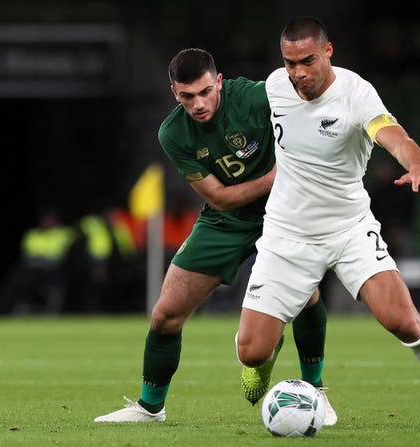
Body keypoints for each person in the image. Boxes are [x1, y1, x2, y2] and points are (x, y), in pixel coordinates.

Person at [235, 17, 420, 430]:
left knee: (403, 321)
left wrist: (418, 166)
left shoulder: (356, 94)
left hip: (348, 229)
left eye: (307, 61)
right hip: (287, 232)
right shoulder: (274, 86)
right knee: (250, 351)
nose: (298, 73)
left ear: (328, 51)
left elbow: (395, 136)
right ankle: (262, 365)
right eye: (289, 63)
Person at [94, 48, 336, 424]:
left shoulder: (257, 96)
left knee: (306, 296)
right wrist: (279, 173)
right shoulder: (173, 132)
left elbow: (316, 97)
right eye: (187, 97)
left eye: (205, 92)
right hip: (226, 220)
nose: (198, 104)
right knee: (165, 315)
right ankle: (150, 408)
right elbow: (220, 198)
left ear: (219, 81)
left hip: (285, 213)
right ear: (175, 93)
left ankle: (315, 392)